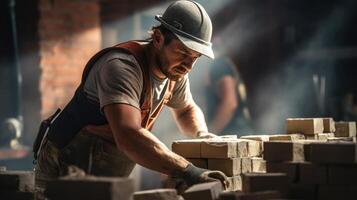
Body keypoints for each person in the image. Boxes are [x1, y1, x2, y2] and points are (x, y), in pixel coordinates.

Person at [33, 0, 228, 193]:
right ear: (159, 38)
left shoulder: (175, 72)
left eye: (195, 57)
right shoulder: (121, 67)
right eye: (183, 52)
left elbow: (186, 109)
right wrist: (188, 170)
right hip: (64, 170)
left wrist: (202, 134)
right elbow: (128, 134)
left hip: (106, 173)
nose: (188, 65)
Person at [205, 56, 253, 135]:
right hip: (234, 132)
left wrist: (209, 134)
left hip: (234, 133)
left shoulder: (220, 66)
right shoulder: (220, 64)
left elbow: (230, 103)